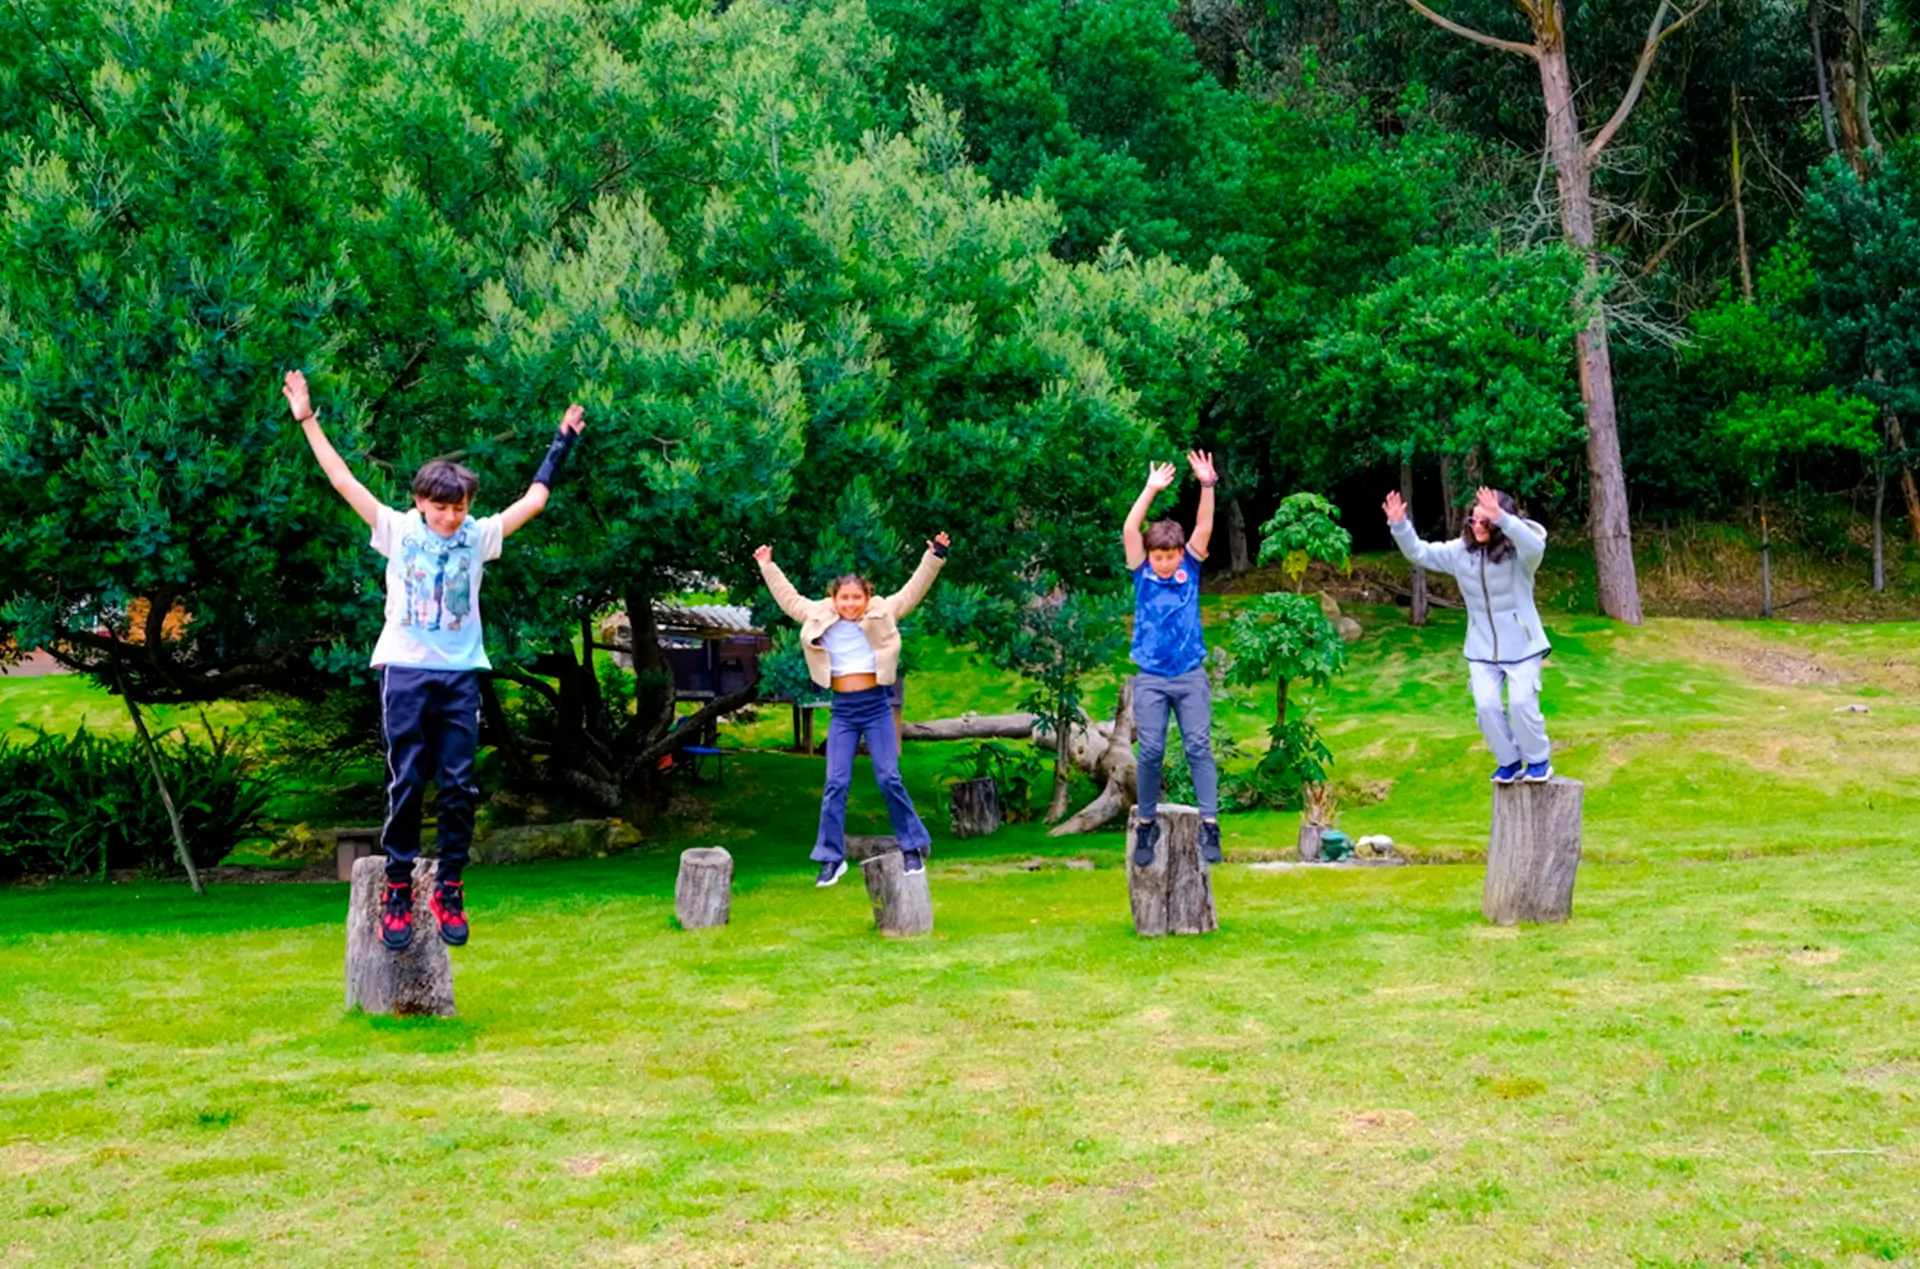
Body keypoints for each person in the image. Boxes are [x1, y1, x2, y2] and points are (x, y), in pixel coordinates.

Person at [282, 369, 584, 950]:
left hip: (459, 676)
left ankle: (449, 883)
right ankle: (397, 884)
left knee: (459, 783)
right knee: (406, 778)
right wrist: (308, 418)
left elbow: (536, 500)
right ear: (421, 502)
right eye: (441, 507)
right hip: (404, 670)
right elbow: (343, 480)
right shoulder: (396, 529)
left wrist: (560, 441)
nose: (451, 517)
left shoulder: (479, 534)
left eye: (460, 507)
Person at [754, 535, 949, 886]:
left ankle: (911, 848)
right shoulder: (818, 613)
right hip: (843, 709)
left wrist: (934, 556)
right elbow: (789, 599)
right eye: (844, 598)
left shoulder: (883, 610)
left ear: (867, 597)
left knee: (889, 777)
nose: (850, 604)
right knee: (835, 783)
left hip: (876, 707)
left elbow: (913, 589)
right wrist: (768, 566)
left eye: (856, 598)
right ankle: (831, 858)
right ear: (834, 598)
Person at [1384, 484, 1554, 784]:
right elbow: (1419, 552)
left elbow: (1535, 545)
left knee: (1520, 704)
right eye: (1472, 520)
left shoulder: (1520, 554)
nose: (1477, 526)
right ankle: (1509, 762)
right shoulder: (1459, 553)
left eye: (1485, 521)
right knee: (1486, 706)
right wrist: (1399, 525)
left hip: (1523, 645)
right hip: (1481, 648)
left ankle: (1538, 761)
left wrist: (1502, 518)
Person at [1123, 452, 1221, 867]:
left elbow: (1203, 526)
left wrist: (1207, 485)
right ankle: (1146, 824)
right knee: (1149, 751)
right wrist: (1150, 489)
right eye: (1158, 556)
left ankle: (1210, 825)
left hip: (1189, 675)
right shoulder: (1141, 570)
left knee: (1198, 745)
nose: (1164, 563)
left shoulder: (1191, 570)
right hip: (1151, 678)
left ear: (1180, 553)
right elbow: (1130, 527)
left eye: (1170, 556)